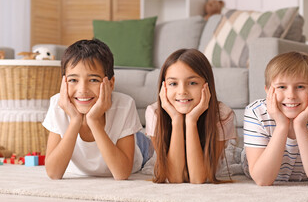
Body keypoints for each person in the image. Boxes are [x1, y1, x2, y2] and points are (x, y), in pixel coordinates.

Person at [43, 39, 147, 180]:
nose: (82, 90)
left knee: (154, 148)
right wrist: (75, 120)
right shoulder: (58, 104)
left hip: (141, 150)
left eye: (93, 80)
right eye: (73, 80)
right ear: (63, 82)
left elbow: (121, 174)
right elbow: (53, 173)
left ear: (111, 83)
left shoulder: (125, 104)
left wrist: (93, 121)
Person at [242, 51, 308, 187]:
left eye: (300, 87)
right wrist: (282, 126)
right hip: (254, 162)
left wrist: (300, 126)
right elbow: (263, 180)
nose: (291, 95)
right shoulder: (256, 112)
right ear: (268, 90)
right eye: (282, 87)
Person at [145, 48, 236, 184]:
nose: (182, 91)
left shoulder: (222, 115)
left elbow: (197, 178)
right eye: (173, 84)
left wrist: (191, 121)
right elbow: (175, 178)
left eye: (192, 83)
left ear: (207, 85)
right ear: (164, 87)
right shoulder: (155, 113)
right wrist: (176, 120)